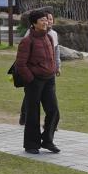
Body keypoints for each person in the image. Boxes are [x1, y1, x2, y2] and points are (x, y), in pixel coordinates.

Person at [15, 9, 60, 154]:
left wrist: (53, 69)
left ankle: (47, 140)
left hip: (49, 80)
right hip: (34, 81)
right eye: (42, 20)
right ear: (34, 23)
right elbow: (20, 64)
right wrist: (30, 79)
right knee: (33, 113)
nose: (46, 22)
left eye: (46, 20)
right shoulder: (27, 41)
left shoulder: (50, 37)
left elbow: (53, 56)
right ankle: (31, 144)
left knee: (54, 111)